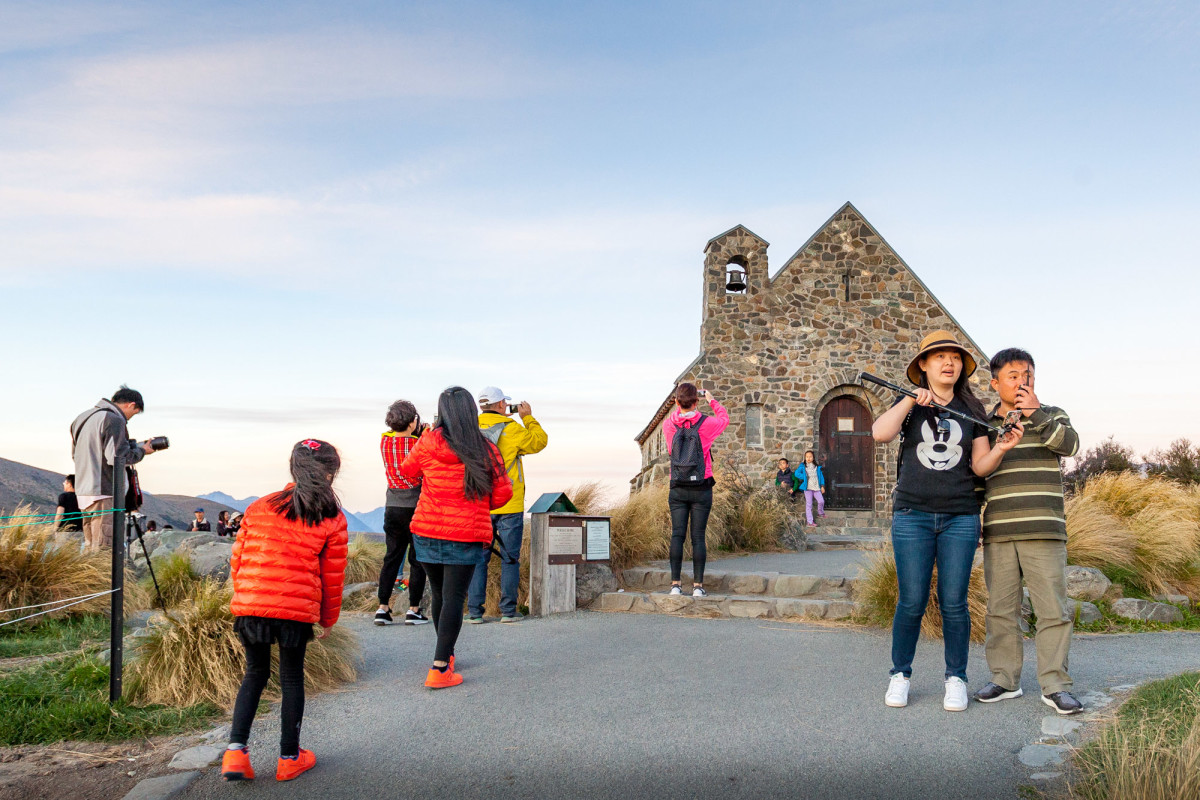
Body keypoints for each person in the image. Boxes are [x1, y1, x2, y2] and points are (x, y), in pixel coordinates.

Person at [871, 330, 1023, 712]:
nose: (948, 363)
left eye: (954, 357)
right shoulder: (909, 402)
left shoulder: (971, 409)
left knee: (954, 603)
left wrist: (1002, 447)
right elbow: (880, 433)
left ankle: (956, 678)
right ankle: (900, 675)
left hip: (960, 516)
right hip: (912, 515)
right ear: (923, 365)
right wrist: (909, 398)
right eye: (939, 357)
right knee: (911, 601)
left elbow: (979, 466)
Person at [221, 439, 348, 783]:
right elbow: (331, 576)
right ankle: (290, 757)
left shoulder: (260, 506)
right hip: (295, 611)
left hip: (252, 605)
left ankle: (235, 752)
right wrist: (328, 618)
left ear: (293, 466)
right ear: (331, 472)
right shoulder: (331, 515)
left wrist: (247, 594)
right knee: (291, 678)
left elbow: (239, 559)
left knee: (254, 674)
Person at [973, 348, 1083, 715]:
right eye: (1014, 376)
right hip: (1000, 531)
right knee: (1001, 610)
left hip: (1044, 529)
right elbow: (978, 476)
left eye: (1028, 375)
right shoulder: (984, 424)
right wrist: (974, 520)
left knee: (1052, 610)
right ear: (995, 383)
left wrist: (1036, 413)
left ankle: (1055, 685)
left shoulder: (1052, 414)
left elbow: (1070, 446)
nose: (1023, 382)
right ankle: (1004, 680)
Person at [399, 386, 512, 688]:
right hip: (466, 532)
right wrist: (476, 505)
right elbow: (503, 494)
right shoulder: (487, 449)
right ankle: (439, 668)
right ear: (471, 412)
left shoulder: (426, 443)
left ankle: (445, 656)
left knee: (440, 596)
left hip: (427, 530)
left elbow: (407, 472)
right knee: (453, 598)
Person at [465, 386, 548, 624]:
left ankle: (475, 612)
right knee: (510, 557)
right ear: (502, 405)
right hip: (509, 502)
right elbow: (540, 442)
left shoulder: (470, 429)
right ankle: (508, 612)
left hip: (479, 502)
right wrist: (527, 418)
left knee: (478, 558)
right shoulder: (512, 429)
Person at [69, 387, 158, 552]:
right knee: (104, 547)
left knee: (90, 545)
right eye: (135, 413)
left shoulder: (81, 418)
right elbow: (118, 458)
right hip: (105, 491)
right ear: (131, 405)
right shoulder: (114, 420)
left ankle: (89, 578)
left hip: (84, 491)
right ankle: (103, 578)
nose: (130, 418)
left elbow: (75, 455)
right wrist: (142, 450)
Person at [662, 383, 729, 598]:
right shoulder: (707, 424)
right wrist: (712, 400)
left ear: (676, 402)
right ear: (696, 401)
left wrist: (680, 406)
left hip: (678, 487)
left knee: (677, 535)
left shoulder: (668, 425)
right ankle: (698, 587)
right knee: (698, 537)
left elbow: (672, 446)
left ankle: (675, 585)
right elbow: (724, 419)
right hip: (702, 486)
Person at [375, 399, 430, 626]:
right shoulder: (421, 442)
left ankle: (383, 608)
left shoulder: (384, 442)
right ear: (412, 421)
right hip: (417, 505)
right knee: (417, 560)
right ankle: (413, 609)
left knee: (392, 558)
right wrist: (425, 430)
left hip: (393, 506)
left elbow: (394, 436)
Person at [794, 450, 826, 528]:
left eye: (810, 456)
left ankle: (820, 513)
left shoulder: (817, 467)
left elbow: (821, 477)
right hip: (807, 488)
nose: (808, 458)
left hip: (816, 487)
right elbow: (796, 473)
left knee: (821, 501)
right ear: (805, 458)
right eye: (807, 457)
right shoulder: (802, 466)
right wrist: (804, 477)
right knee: (809, 504)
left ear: (813, 457)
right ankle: (810, 522)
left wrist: (822, 486)